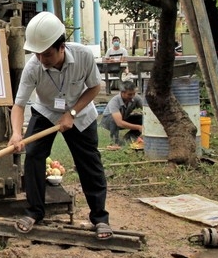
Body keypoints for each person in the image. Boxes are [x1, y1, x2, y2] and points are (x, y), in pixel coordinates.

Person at [9, 12, 113, 240]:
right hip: (45, 110)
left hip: (80, 111)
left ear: (62, 47)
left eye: (47, 54)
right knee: (34, 155)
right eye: (37, 54)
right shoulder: (33, 67)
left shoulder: (84, 56)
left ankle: (100, 218)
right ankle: (35, 212)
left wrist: (72, 113)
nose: (42, 59)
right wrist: (17, 134)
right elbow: (18, 105)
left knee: (89, 162)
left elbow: (94, 88)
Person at [101, 80, 144, 148]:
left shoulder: (136, 97)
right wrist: (138, 127)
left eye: (134, 93)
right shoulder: (115, 101)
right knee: (113, 119)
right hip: (108, 121)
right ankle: (115, 142)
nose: (132, 96)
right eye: (129, 94)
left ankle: (128, 139)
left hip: (124, 118)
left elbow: (147, 110)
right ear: (122, 93)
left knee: (142, 118)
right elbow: (119, 123)